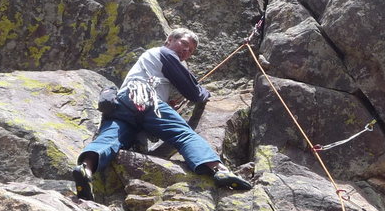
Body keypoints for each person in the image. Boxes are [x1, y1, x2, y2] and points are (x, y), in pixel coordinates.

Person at [72, 27, 252, 200]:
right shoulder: (164, 53)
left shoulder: (150, 62)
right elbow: (192, 91)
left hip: (124, 105)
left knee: (111, 138)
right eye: (184, 43)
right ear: (169, 40)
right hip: (144, 97)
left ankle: (85, 169)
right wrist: (205, 93)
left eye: (190, 51)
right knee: (183, 134)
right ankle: (219, 170)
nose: (187, 50)